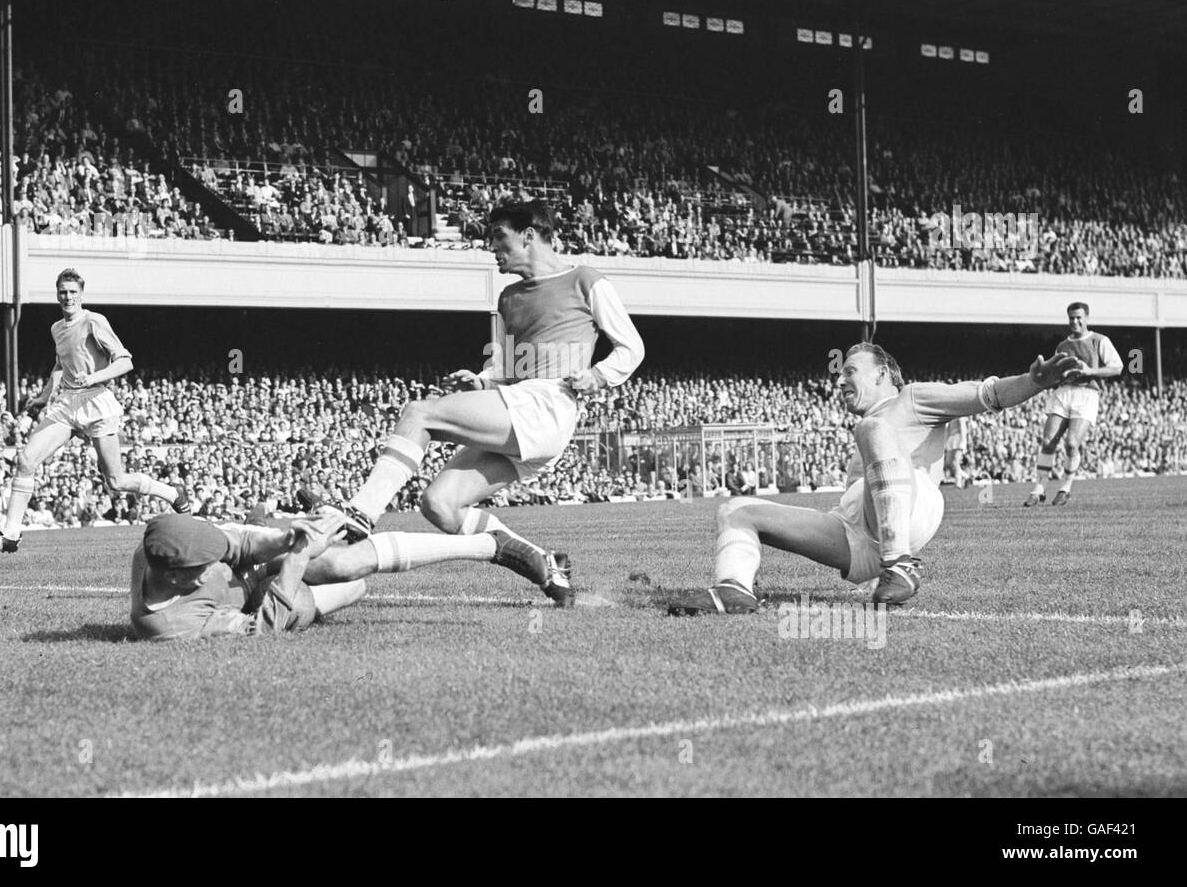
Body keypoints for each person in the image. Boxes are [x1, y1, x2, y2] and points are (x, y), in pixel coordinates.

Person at [305, 201, 644, 607]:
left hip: (547, 405)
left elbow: (631, 347)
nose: (493, 249)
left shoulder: (583, 279)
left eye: (500, 237)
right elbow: (510, 365)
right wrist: (482, 379)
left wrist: (597, 375)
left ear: (530, 235)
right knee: (440, 505)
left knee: (419, 413)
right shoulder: (509, 297)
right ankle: (543, 564)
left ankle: (359, 516)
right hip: (520, 405)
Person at [667, 343, 1081, 613]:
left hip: (912, 508)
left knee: (872, 430)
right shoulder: (868, 425)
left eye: (850, 371)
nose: (840, 379)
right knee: (735, 509)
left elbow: (986, 395)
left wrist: (1034, 382)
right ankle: (733, 590)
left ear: (883, 373)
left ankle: (900, 565)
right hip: (855, 531)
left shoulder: (910, 398)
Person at [0, 268, 190, 556]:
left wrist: (94, 378)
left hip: (96, 402)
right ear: (57, 294)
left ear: (81, 295)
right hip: (67, 404)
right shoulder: (56, 328)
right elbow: (59, 365)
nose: (68, 297)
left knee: (116, 481)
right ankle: (10, 534)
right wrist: (43, 397)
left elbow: (125, 360)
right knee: (26, 460)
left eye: (73, 292)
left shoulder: (93, 321)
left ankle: (173, 493)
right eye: (63, 292)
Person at [130, 510, 365, 642]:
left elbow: (239, 545)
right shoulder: (173, 626)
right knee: (307, 605)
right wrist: (298, 558)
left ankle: (256, 521)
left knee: (342, 565)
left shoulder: (155, 546)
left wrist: (286, 540)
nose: (216, 565)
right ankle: (256, 522)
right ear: (174, 577)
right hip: (250, 597)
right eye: (206, 565)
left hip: (250, 566)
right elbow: (260, 628)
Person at [1023, 302, 1123, 507]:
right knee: (1048, 440)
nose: (1075, 321)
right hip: (1064, 392)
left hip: (1087, 394)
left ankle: (1065, 487)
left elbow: (1118, 367)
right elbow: (1054, 374)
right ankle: (1039, 488)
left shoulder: (1099, 340)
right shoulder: (1062, 346)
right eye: (1071, 318)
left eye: (1079, 317)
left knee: (1071, 443)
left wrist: (1090, 372)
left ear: (1087, 318)